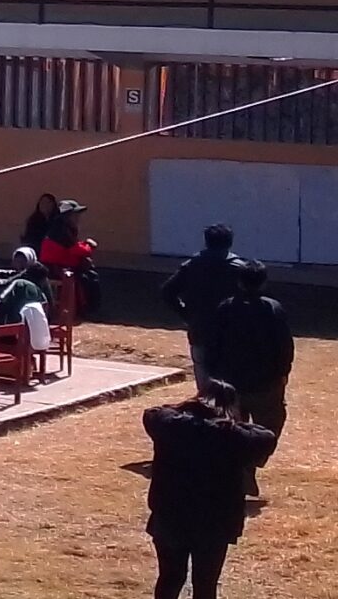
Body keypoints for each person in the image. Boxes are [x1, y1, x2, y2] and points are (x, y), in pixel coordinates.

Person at [145, 380, 277, 599]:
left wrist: (188, 410)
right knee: (205, 583)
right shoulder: (234, 437)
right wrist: (232, 422)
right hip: (215, 522)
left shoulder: (171, 426)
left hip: (171, 515)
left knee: (170, 577)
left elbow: (154, 413)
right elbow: (266, 437)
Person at [204, 261, 291, 501]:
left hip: (231, 384)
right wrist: (283, 372)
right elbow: (284, 346)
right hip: (266, 383)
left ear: (239, 282)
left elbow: (213, 344)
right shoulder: (273, 309)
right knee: (269, 428)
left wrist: (214, 374)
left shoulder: (225, 308)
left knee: (232, 430)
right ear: (263, 282)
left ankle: (242, 467)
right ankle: (250, 462)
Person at [161, 224, 248, 386]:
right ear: (230, 242)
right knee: (233, 386)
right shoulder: (240, 269)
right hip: (232, 334)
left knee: (205, 387)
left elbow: (167, 291)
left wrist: (185, 314)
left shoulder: (191, 266)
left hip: (200, 330)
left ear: (206, 242)